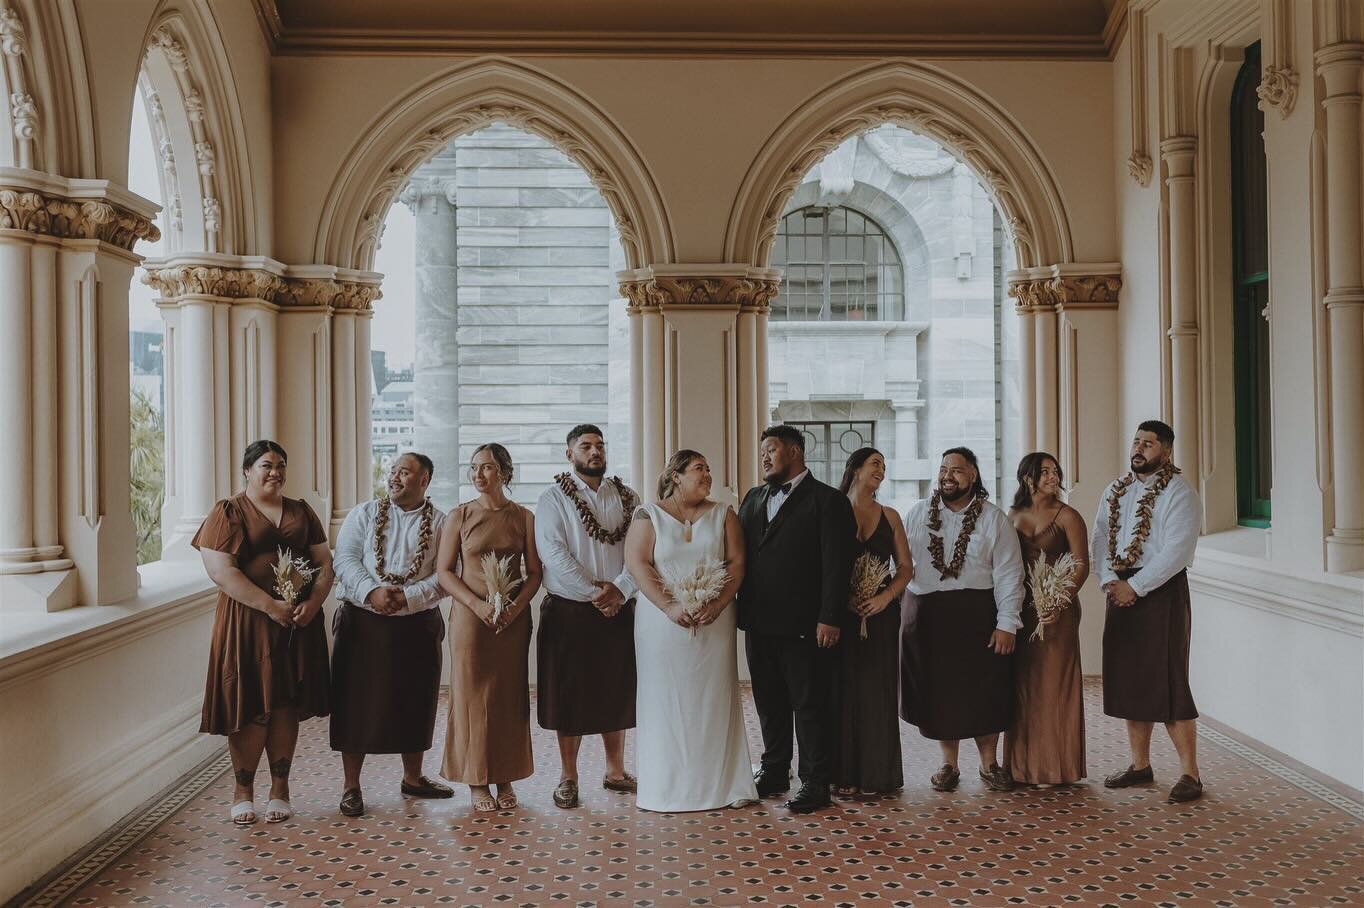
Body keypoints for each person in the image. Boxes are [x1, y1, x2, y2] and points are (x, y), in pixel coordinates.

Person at [195, 440, 334, 826]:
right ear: (247, 470)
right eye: (266, 465)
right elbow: (221, 571)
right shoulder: (228, 512)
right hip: (248, 623)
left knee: (285, 703)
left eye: (281, 465)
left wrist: (315, 601)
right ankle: (243, 792)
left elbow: (324, 563)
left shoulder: (302, 511)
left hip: (296, 623)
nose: (275, 472)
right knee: (252, 707)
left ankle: (280, 789)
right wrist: (270, 606)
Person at [624, 449, 757, 812]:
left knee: (712, 699)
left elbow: (737, 563)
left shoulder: (723, 514)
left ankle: (723, 785)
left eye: (709, 469)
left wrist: (716, 604)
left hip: (715, 622)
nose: (708, 475)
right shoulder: (647, 514)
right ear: (676, 475)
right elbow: (637, 563)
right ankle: (664, 787)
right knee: (663, 700)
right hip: (660, 624)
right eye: (700, 469)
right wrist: (669, 606)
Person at [737, 425, 857, 814]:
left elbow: (837, 567)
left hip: (807, 625)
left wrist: (829, 618)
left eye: (771, 450)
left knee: (809, 705)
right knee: (769, 702)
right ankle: (773, 770)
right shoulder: (753, 498)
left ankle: (815, 782)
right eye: (762, 452)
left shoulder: (829, 501)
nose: (765, 457)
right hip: (758, 621)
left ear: (794, 451)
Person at [329, 452, 453, 817]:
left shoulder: (442, 522)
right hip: (361, 622)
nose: (395, 478)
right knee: (355, 704)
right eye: (393, 471)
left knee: (416, 701)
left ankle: (413, 778)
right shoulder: (364, 514)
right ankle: (352, 786)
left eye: (405, 472)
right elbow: (345, 558)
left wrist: (408, 596)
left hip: (416, 624)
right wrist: (373, 591)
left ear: (424, 480)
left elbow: (447, 573)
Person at [1090, 420, 1204, 803]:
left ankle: (1191, 773)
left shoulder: (1180, 493)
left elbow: (1177, 551)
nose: (1139, 449)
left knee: (1168, 679)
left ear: (1166, 451)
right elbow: (1099, 539)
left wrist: (1134, 587)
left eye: (1149, 444)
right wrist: (1109, 581)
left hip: (1161, 593)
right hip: (1118, 590)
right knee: (1130, 678)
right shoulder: (1114, 490)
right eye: (1136, 442)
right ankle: (1140, 765)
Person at [900, 447, 1024, 793]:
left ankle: (989, 764)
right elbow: (901, 564)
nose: (947, 476)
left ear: (973, 476)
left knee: (986, 691)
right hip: (928, 617)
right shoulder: (918, 514)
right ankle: (948, 765)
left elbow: (1010, 574)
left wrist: (1006, 623)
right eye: (943, 469)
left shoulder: (993, 518)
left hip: (978, 615)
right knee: (941, 693)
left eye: (956, 470)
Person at [535, 424, 641, 809]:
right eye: (585, 446)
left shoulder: (628, 497)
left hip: (620, 607)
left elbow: (641, 550)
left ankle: (615, 771)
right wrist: (599, 591)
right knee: (571, 695)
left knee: (617, 689)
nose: (594, 451)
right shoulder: (552, 500)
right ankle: (568, 776)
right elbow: (554, 555)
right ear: (570, 454)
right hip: (570, 611)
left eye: (599, 445)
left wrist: (622, 589)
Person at [435, 444, 543, 812]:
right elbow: (445, 572)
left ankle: (505, 776)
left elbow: (535, 573)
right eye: (474, 468)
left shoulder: (525, 517)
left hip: (511, 621)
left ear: (505, 473)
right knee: (470, 696)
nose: (479, 475)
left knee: (507, 697)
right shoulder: (459, 516)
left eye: (488, 467)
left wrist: (514, 609)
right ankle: (476, 780)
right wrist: (477, 604)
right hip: (470, 618)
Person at [1003, 452, 1089, 786]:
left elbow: (1081, 564)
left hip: (1059, 610)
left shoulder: (1068, 516)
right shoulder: (1012, 515)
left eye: (1056, 471)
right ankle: (1022, 768)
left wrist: (1060, 599)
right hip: (1023, 609)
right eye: (1046, 472)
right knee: (1024, 686)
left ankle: (1058, 768)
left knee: (1056, 685)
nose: (1054, 477)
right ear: (1028, 478)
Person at [833, 447, 913, 796]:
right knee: (842, 691)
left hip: (881, 616)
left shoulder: (891, 516)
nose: (882, 469)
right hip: (841, 616)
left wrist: (884, 598)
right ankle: (843, 774)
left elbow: (906, 568)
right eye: (875, 463)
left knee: (878, 691)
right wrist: (841, 599)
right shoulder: (832, 511)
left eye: (884, 464)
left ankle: (877, 775)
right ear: (855, 469)